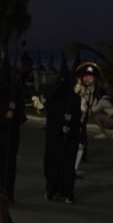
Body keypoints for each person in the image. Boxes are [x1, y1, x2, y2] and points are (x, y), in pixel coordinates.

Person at [0, 58, 27, 202]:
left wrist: (14, 112)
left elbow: (21, 117)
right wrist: (4, 116)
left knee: (9, 166)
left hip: (10, 137)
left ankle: (7, 193)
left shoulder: (14, 95)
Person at [43, 59, 83, 203]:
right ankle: (52, 190)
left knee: (67, 166)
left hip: (69, 139)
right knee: (54, 165)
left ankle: (66, 192)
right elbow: (51, 117)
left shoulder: (74, 98)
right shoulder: (53, 97)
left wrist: (70, 121)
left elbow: (78, 117)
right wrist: (61, 124)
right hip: (55, 137)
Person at [73, 62, 102, 178]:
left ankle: (74, 169)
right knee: (77, 145)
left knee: (80, 145)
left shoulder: (92, 89)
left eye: (91, 77)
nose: (89, 79)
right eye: (87, 76)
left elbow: (90, 107)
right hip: (74, 120)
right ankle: (71, 169)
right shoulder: (76, 88)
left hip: (81, 121)